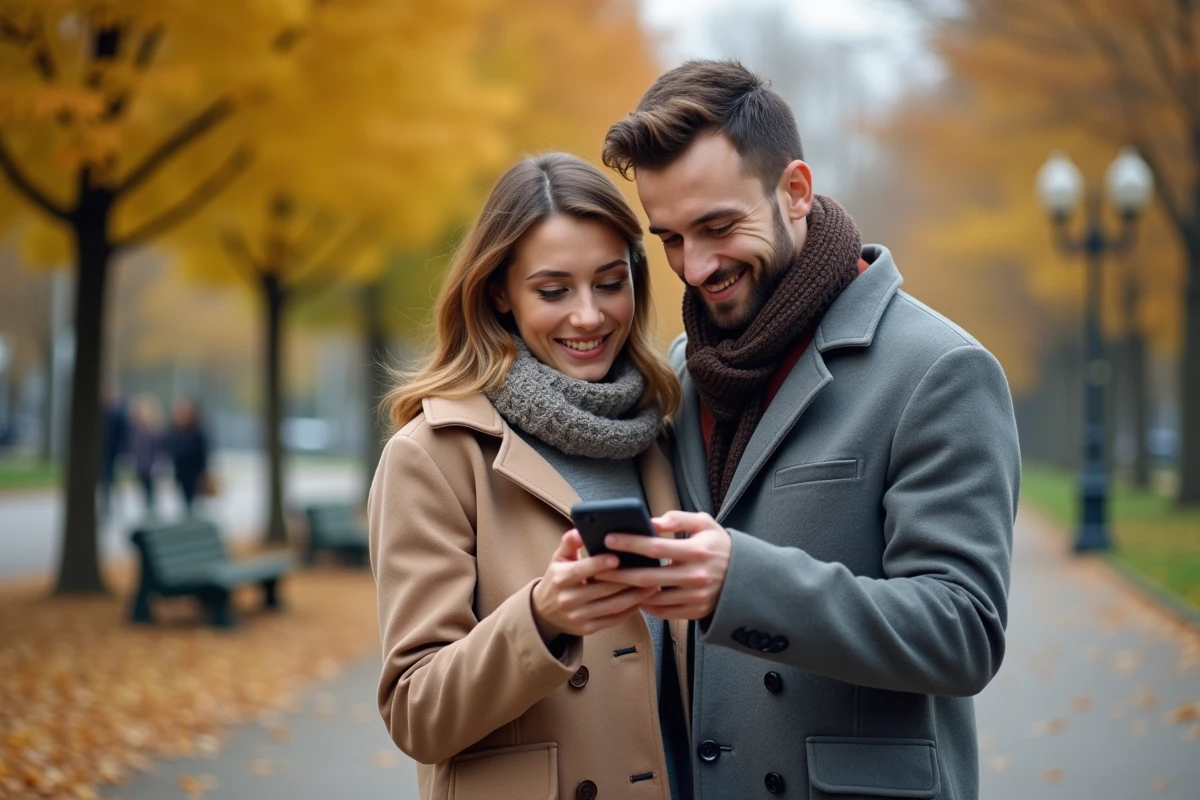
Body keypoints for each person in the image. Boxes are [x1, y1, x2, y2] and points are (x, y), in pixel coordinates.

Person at [597, 60, 1021, 800]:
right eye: (669, 238)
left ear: (794, 191)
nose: (694, 268)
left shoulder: (939, 368)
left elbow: (964, 631)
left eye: (718, 226)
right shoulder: (683, 371)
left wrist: (745, 582)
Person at [368, 153, 691, 800]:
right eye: (552, 290)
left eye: (609, 282)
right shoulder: (433, 454)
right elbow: (414, 710)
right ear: (499, 293)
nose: (589, 316)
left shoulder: (664, 433)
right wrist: (542, 617)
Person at [167, 398, 209, 515]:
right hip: (181, 472)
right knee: (183, 502)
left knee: (193, 503)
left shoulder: (198, 432)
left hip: (194, 473)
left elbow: (203, 455)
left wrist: (203, 474)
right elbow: (172, 449)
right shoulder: (176, 430)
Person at [128, 394, 164, 516]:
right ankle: (147, 511)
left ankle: (151, 512)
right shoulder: (136, 429)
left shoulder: (154, 430)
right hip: (140, 464)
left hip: (151, 465)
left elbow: (158, 450)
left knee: (151, 491)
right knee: (143, 490)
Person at [99, 386, 128, 520]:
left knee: (111, 480)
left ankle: (112, 507)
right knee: (105, 481)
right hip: (102, 452)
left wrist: (123, 452)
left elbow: (123, 434)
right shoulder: (102, 411)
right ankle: (106, 507)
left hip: (113, 453)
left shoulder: (118, 412)